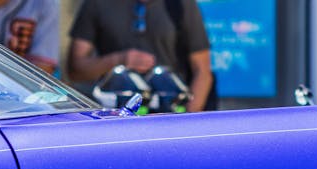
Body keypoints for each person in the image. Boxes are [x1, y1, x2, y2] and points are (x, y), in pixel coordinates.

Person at [68, 0, 215, 113]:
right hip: (115, 116)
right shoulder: (96, 3)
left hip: (168, 115)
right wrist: (118, 60)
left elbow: (202, 72)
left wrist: (186, 119)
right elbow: (75, 70)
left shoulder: (180, 5)